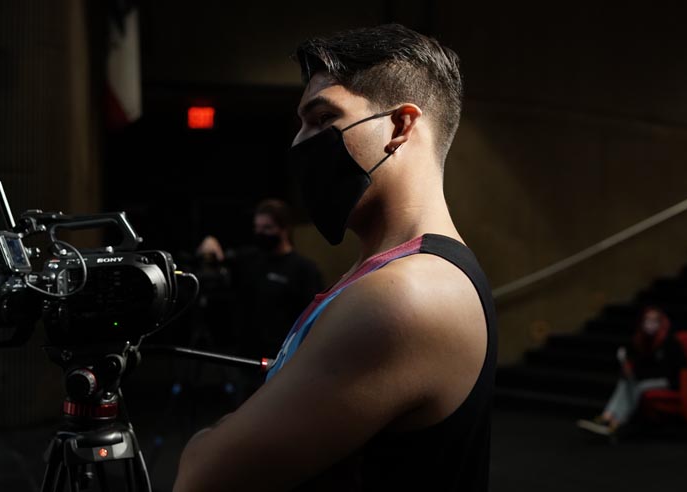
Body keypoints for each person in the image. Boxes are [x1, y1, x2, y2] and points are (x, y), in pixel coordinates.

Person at [174, 23, 497, 491]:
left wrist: (205, 441)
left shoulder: (409, 294)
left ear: (401, 125)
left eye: (323, 118)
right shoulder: (384, 273)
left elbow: (204, 476)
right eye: (301, 123)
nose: (299, 142)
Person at [196, 198, 323, 360]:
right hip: (246, 357)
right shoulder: (248, 260)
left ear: (284, 229)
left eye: (267, 228)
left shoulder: (304, 270)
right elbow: (219, 257)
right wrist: (211, 242)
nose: (261, 233)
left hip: (283, 359)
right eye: (257, 228)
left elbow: (312, 321)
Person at [576, 306, 687, 437]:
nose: (650, 324)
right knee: (625, 382)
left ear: (661, 322)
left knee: (638, 386)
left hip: (668, 380)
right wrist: (629, 369)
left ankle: (617, 423)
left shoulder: (670, 342)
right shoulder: (642, 340)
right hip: (646, 378)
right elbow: (642, 365)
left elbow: (670, 370)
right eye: (647, 320)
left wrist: (641, 375)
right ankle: (606, 417)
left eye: (654, 320)